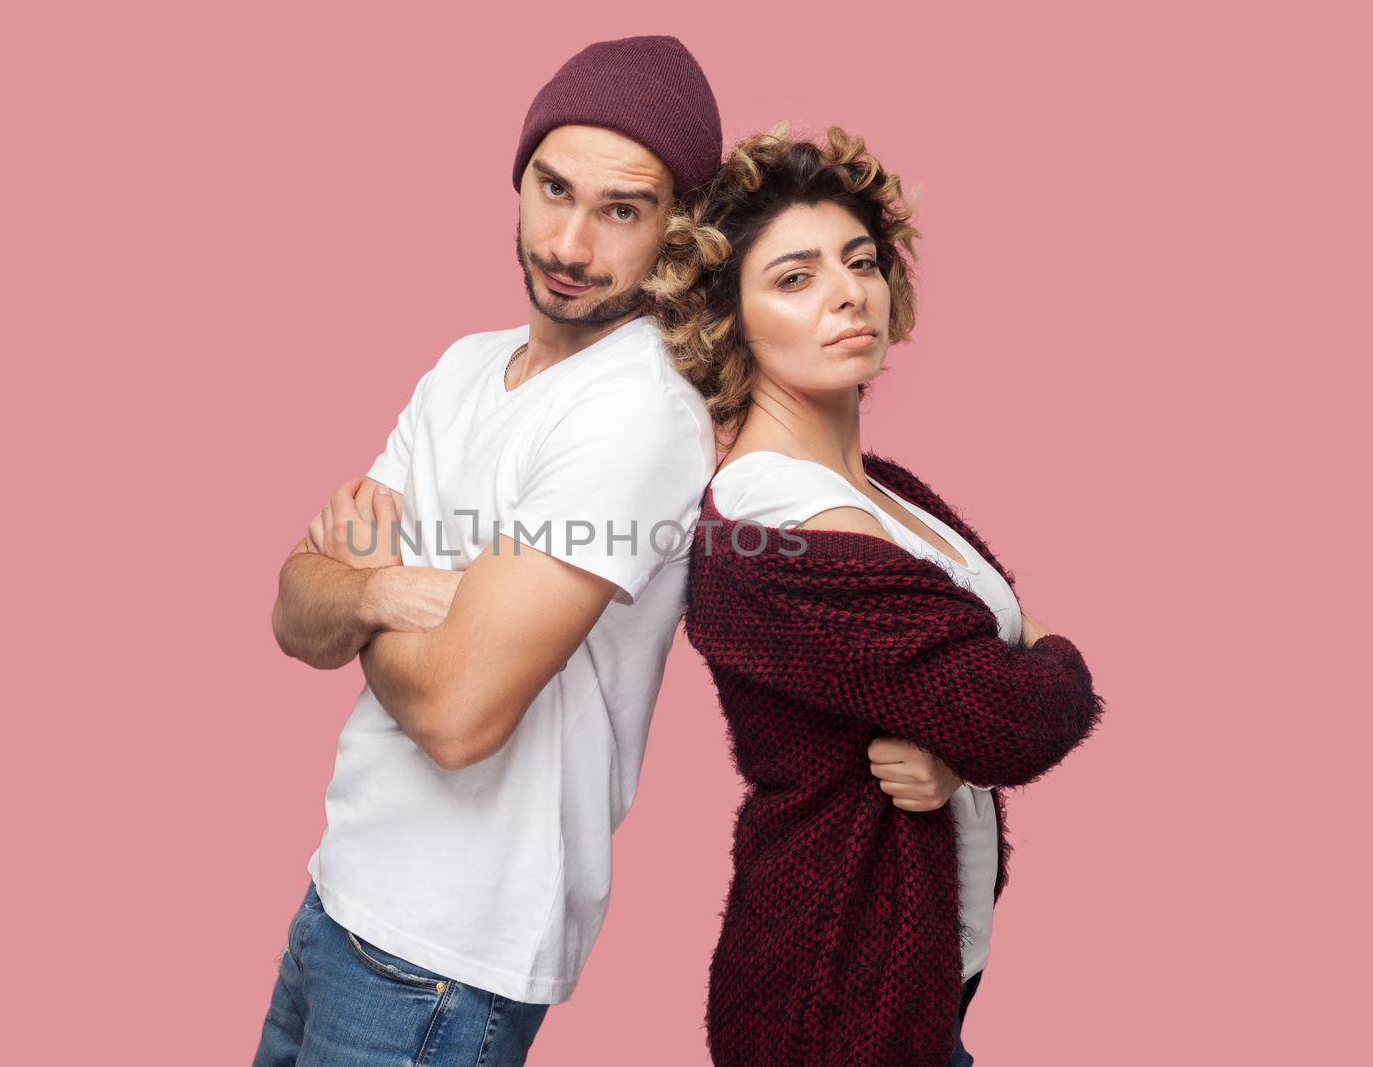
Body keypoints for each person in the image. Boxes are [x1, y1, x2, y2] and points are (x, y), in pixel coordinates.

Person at [252, 37, 723, 1067]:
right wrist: (404, 587)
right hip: (340, 889)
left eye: (621, 209)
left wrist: (362, 586)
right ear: (516, 181)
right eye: (552, 189)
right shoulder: (462, 370)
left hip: (446, 959)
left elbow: (461, 715)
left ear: (675, 231)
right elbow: (293, 610)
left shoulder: (636, 412)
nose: (569, 241)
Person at [647, 125, 1107, 1065]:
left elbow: (976, 698)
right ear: (730, 321)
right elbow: (1008, 708)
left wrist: (961, 748)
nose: (848, 291)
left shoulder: (886, 492)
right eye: (795, 277)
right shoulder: (770, 518)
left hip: (922, 984)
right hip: (832, 999)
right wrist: (1039, 673)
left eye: (861, 261)